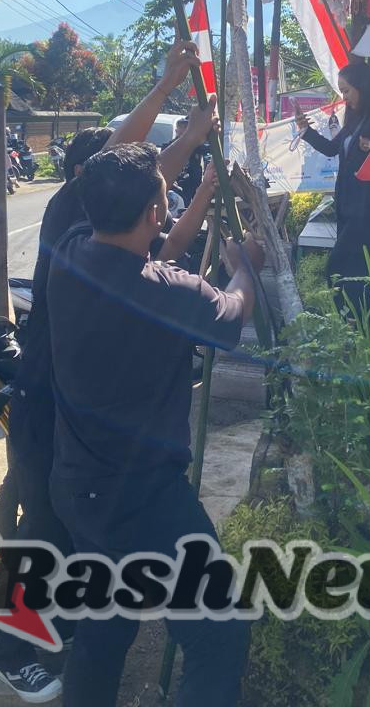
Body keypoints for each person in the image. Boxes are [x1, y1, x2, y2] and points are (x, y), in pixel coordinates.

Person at [0, 41, 217, 700]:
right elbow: (138, 160)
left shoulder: (110, 232)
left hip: (78, 413)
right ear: (91, 176)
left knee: (76, 540)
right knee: (44, 532)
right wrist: (170, 83)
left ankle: (70, 635)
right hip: (45, 406)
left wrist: (199, 184)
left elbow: (159, 223)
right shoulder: (70, 218)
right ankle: (10, 649)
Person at [47, 143, 261, 707]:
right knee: (218, 632)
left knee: (106, 620)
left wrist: (204, 189)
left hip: (78, 486)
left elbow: (154, 249)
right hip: (142, 501)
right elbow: (233, 312)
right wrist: (245, 269)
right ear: (154, 212)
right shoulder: (169, 292)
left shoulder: (68, 254)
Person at [295, 60, 370, 313]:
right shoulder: (357, 118)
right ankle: (355, 324)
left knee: (344, 269)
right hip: (349, 206)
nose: (343, 98)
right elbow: (332, 148)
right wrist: (306, 130)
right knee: (346, 271)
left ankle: (360, 323)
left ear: (362, 86)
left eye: (346, 91)